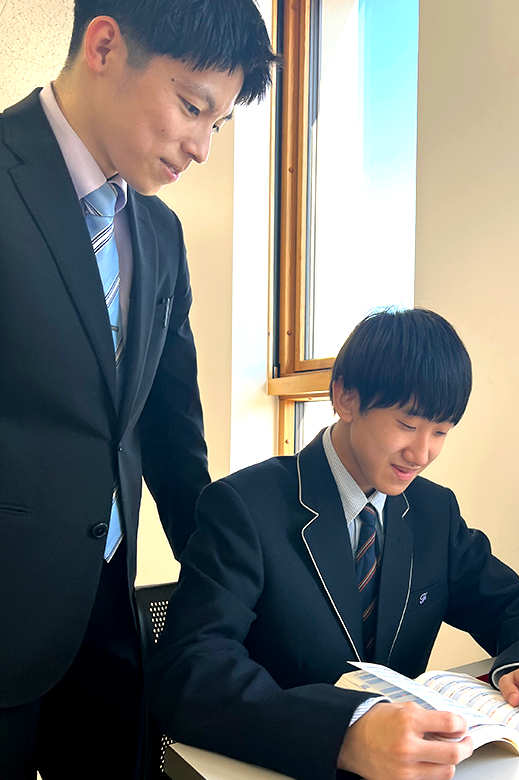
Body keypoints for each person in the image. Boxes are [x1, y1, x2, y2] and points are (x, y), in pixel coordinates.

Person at [0, 2, 277, 778]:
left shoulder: (160, 236)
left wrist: (225, 593)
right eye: (192, 107)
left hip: (109, 624)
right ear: (104, 46)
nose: (202, 148)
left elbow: (170, 435)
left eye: (219, 124)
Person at [147, 308, 519, 780]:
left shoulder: (433, 512)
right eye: (407, 424)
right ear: (345, 396)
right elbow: (188, 670)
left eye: (441, 432)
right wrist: (344, 732)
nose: (421, 453)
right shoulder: (243, 507)